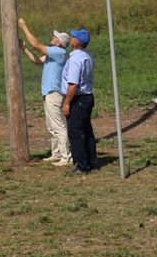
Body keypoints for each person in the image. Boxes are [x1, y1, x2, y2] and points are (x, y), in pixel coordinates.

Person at [18, 17, 72, 166]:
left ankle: (66, 156)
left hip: (54, 93)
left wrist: (24, 27)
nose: (52, 38)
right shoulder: (53, 54)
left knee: (58, 125)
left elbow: (36, 45)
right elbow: (37, 61)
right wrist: (24, 50)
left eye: (55, 37)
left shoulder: (58, 52)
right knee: (51, 126)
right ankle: (56, 153)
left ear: (59, 42)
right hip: (48, 93)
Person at [61, 27, 98, 173]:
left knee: (76, 132)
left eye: (74, 36)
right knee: (87, 131)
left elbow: (73, 84)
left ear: (77, 42)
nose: (71, 37)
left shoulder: (75, 59)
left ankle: (81, 165)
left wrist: (67, 103)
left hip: (78, 98)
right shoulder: (87, 56)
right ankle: (91, 161)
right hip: (87, 96)